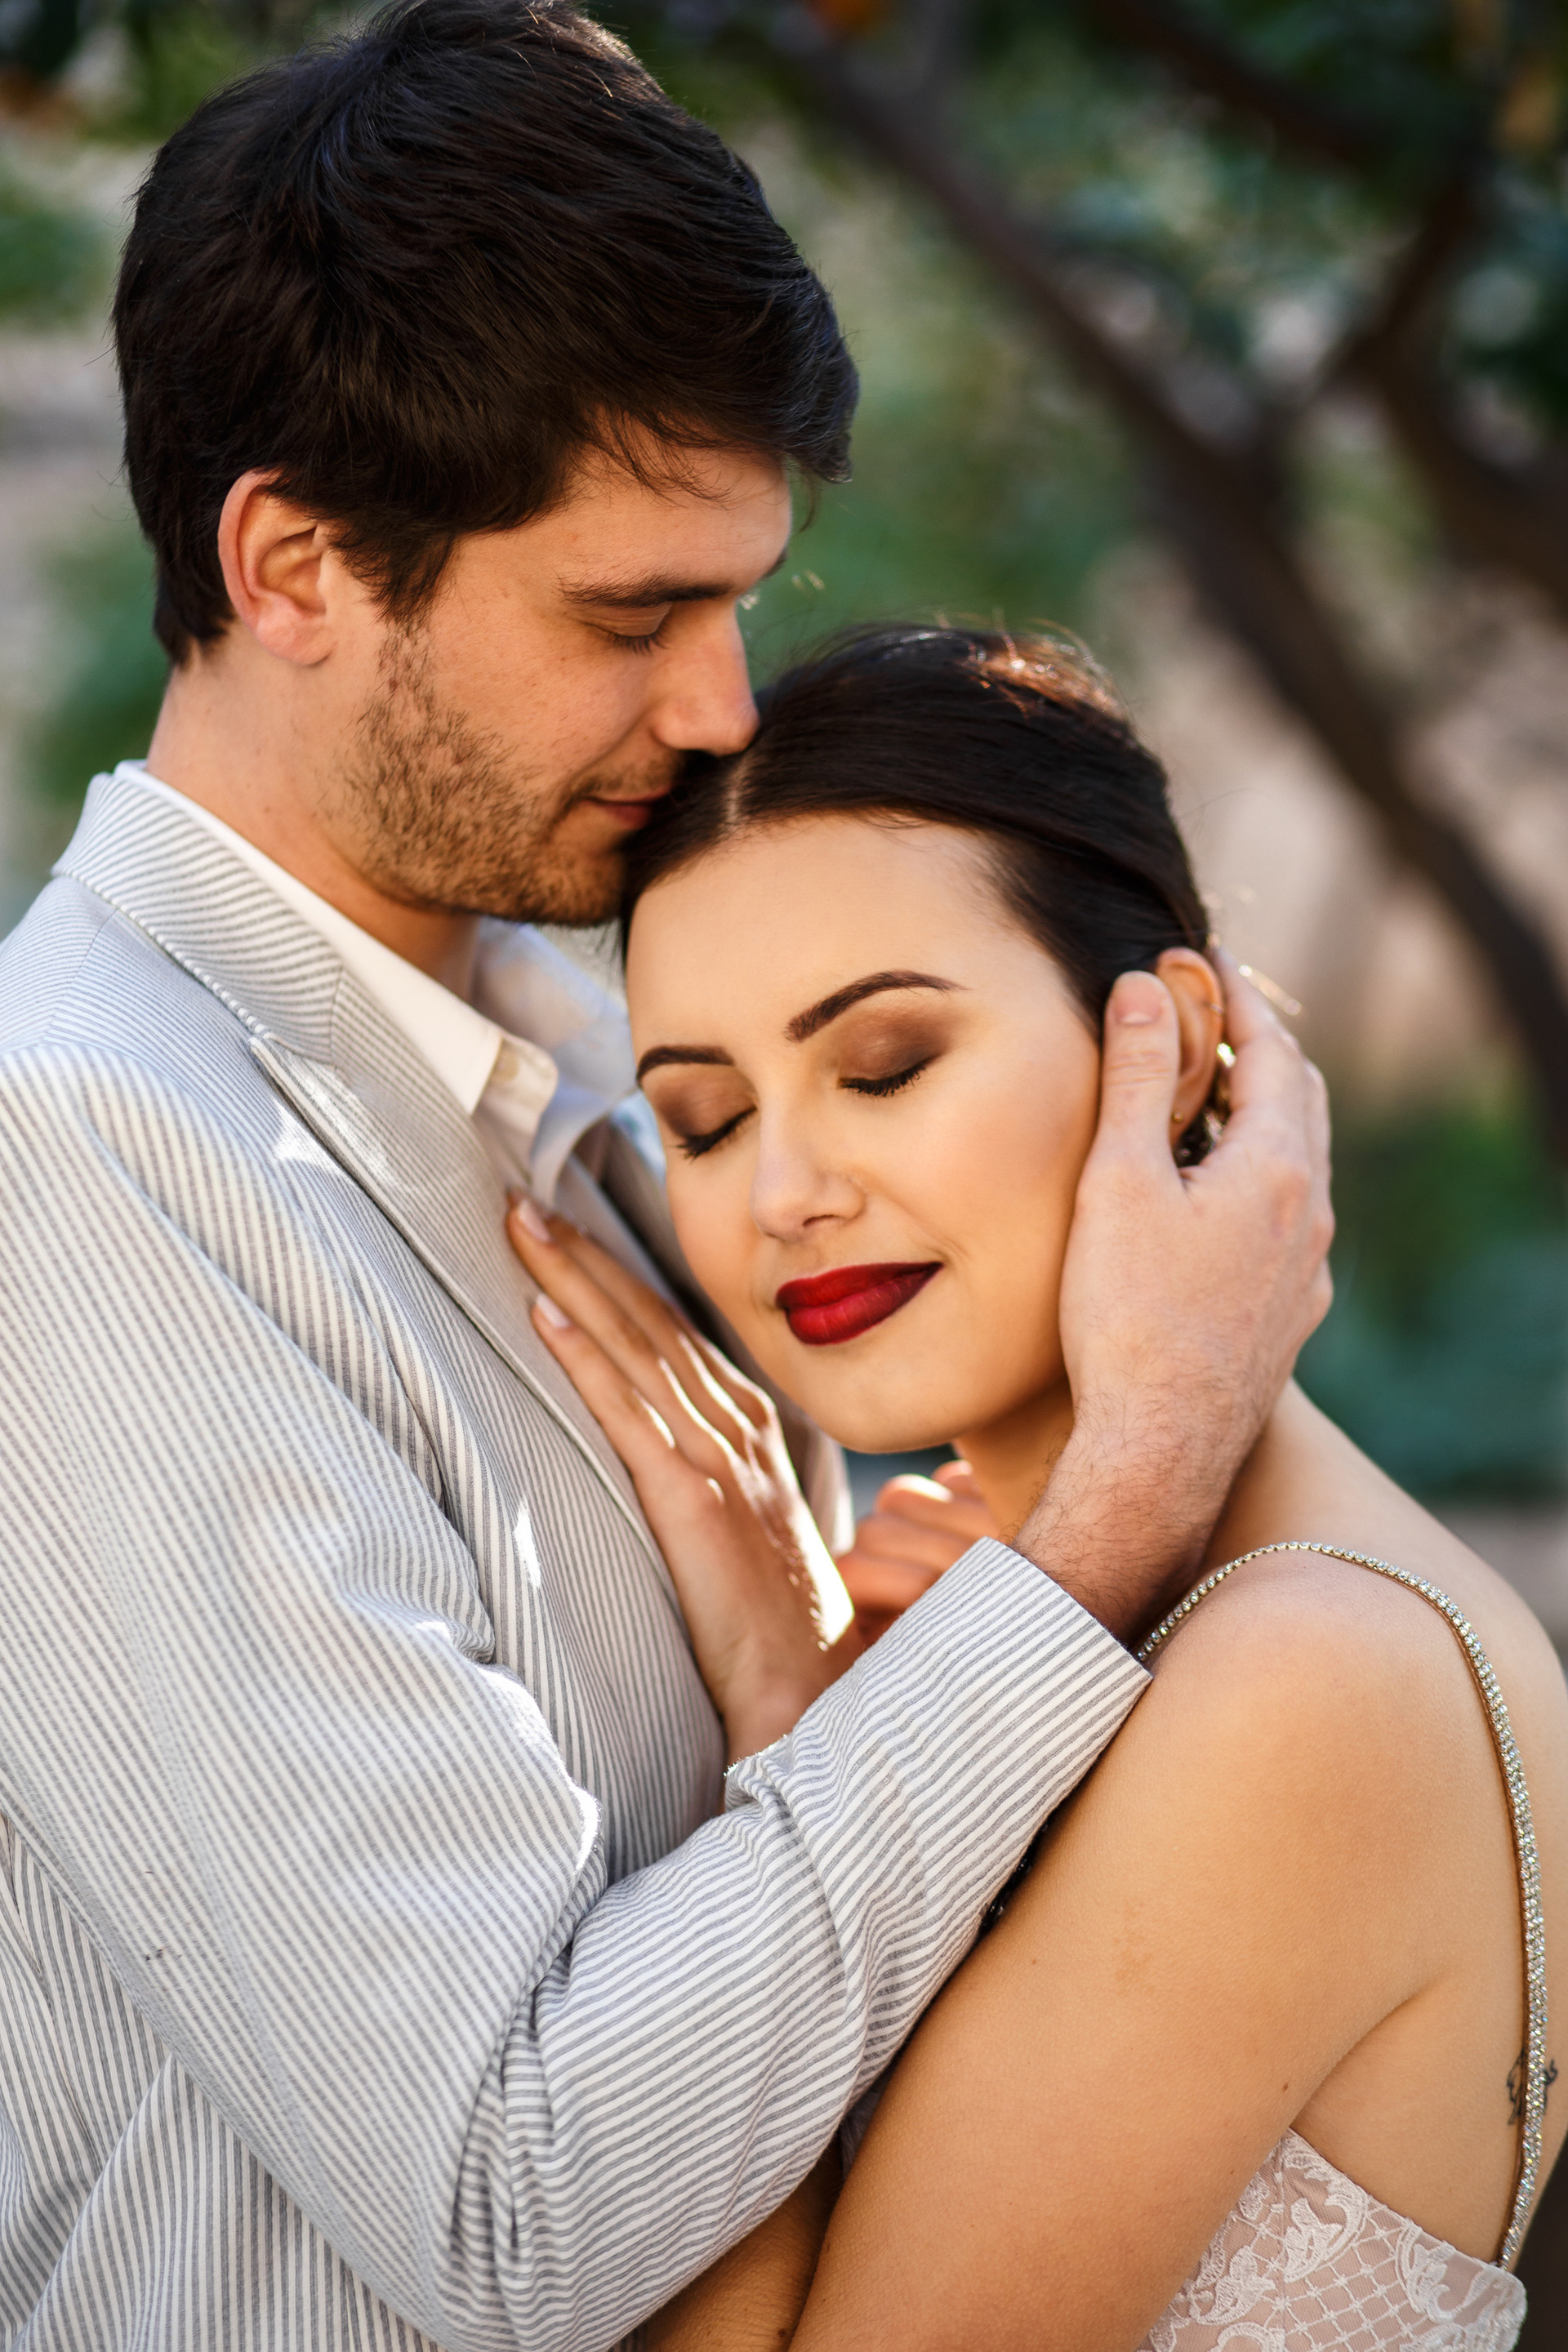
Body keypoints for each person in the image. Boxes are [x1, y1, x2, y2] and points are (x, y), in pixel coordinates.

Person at [0, 7, 1334, 2349]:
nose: (723, 707)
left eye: (738, 602)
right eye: (628, 617)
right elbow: (518, 2211)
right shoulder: (83, 1155)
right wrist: (1118, 1506)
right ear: (293, 565)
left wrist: (850, 1686)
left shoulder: (619, 1064)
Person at [504, 625, 1568, 2350]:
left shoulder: (1308, 1681)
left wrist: (787, 1715)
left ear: (1176, 1042)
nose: (784, 1192)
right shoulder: (1075, 1625)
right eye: (703, 1119)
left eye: (884, 1065)